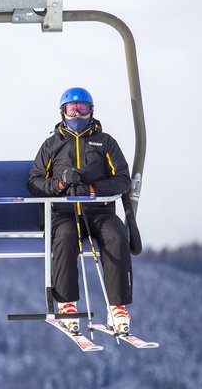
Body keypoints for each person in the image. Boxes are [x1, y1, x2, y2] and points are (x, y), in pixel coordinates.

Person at [27, 87, 133, 334]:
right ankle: (67, 304)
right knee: (63, 237)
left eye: (82, 109)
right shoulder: (52, 144)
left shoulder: (105, 142)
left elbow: (123, 180)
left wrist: (93, 189)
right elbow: (34, 182)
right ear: (62, 112)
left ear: (91, 112)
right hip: (63, 212)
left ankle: (117, 307)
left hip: (99, 210)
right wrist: (60, 184)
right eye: (71, 109)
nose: (76, 114)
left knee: (116, 234)